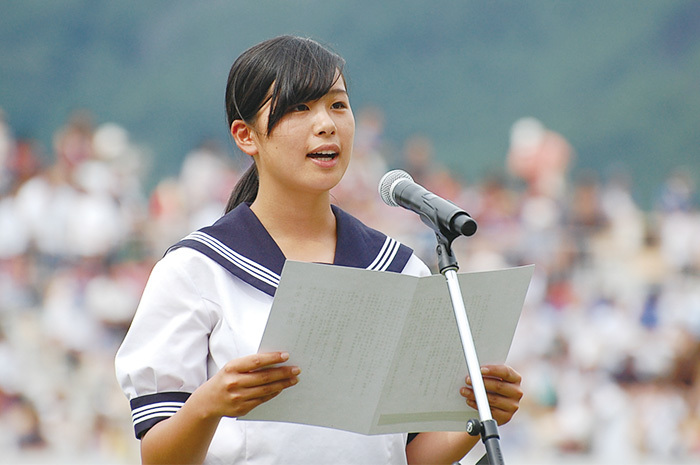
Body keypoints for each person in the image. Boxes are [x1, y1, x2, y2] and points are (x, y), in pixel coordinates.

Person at [115, 35, 523, 465]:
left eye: (338, 105)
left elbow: (407, 453)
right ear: (245, 135)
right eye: (299, 107)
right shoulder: (198, 269)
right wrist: (208, 404)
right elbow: (157, 457)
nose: (326, 123)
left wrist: (477, 412)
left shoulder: (400, 270)